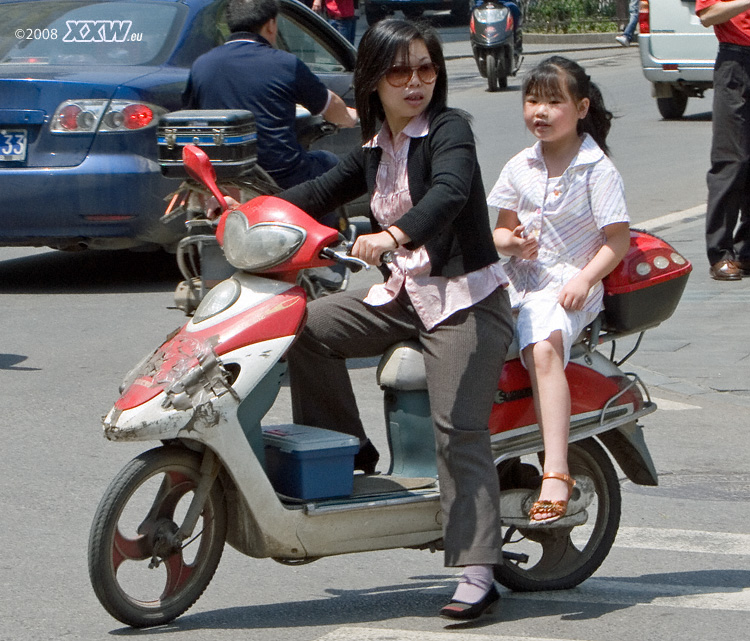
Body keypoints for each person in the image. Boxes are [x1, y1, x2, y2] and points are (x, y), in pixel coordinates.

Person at [279, 19, 513, 620]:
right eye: (399, 72)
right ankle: (347, 449)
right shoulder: (376, 142)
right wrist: (243, 207)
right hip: (405, 295)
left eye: (426, 69)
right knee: (304, 327)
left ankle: (478, 567)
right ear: (373, 82)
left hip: (466, 300)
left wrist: (392, 234)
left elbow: (451, 193)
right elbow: (320, 190)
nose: (415, 82)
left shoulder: (450, 130)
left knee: (457, 427)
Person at [490, 56, 630, 526]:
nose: (541, 112)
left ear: (581, 106)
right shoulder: (518, 166)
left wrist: (585, 279)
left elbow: (616, 241)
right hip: (515, 279)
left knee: (544, 347)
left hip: (569, 282)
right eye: (533, 100)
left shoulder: (597, 169)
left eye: (554, 101)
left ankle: (556, 471)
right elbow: (499, 233)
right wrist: (510, 242)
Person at [182, 0, 358, 189]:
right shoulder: (287, 64)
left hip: (221, 178)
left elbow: (190, 116)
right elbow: (331, 108)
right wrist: (350, 117)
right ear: (271, 25)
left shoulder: (201, 65)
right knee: (329, 162)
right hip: (283, 175)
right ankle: (325, 220)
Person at [696, 0, 750, 280]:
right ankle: (721, 254)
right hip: (737, 61)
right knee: (733, 160)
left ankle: (747, 252)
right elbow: (708, 15)